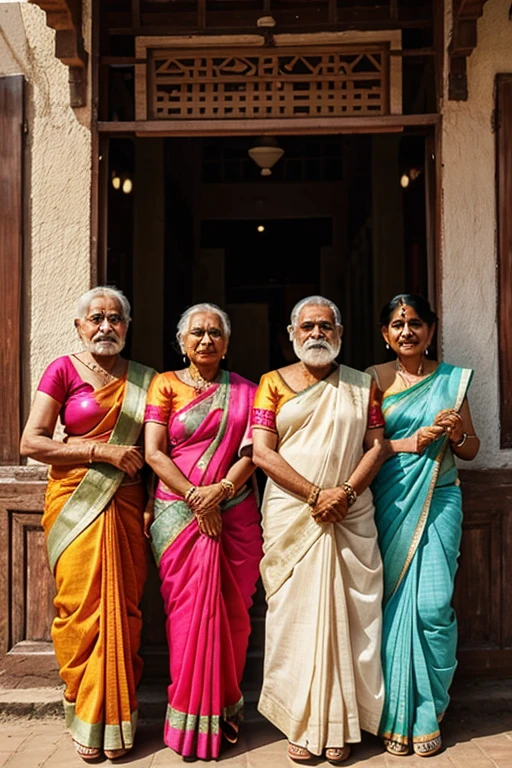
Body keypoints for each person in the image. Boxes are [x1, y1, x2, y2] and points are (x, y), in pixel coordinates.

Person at [20, 287, 155, 762]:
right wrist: (100, 450)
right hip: (74, 501)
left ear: (127, 325)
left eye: (115, 319)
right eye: (96, 318)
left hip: (126, 502)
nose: (105, 326)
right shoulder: (61, 369)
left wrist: (152, 502)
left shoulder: (145, 380)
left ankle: (119, 720)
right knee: (79, 609)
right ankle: (84, 712)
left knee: (124, 609)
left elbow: (159, 452)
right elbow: (31, 443)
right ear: (79, 326)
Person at [251, 295, 386, 765]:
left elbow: (377, 445)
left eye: (326, 326)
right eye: (307, 326)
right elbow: (262, 453)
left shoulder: (361, 384)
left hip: (350, 514)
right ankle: (301, 722)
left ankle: (341, 725)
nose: (316, 334)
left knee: (353, 616)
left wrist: (344, 493)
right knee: (295, 616)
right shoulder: (272, 384)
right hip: (295, 516)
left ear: (340, 333)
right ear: (291, 333)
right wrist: (314, 495)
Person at [144, 302, 263, 761]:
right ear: (182, 341)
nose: (206, 340)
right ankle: (187, 720)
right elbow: (155, 453)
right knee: (188, 618)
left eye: (215, 332)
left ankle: (225, 710)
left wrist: (222, 490)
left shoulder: (249, 391)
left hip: (233, 513)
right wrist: (197, 496)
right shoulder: (164, 385)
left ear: (228, 343)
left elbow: (254, 451)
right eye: (197, 333)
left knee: (233, 616)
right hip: (179, 515)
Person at [367, 293, 480, 757]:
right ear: (385, 334)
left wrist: (455, 434)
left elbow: (471, 448)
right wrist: (410, 442)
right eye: (397, 324)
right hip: (390, 500)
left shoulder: (452, 381)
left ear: (431, 331)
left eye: (415, 322)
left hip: (440, 497)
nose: (406, 331)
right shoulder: (373, 380)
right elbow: (365, 448)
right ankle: (398, 716)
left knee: (433, 607)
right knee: (391, 607)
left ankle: (428, 711)